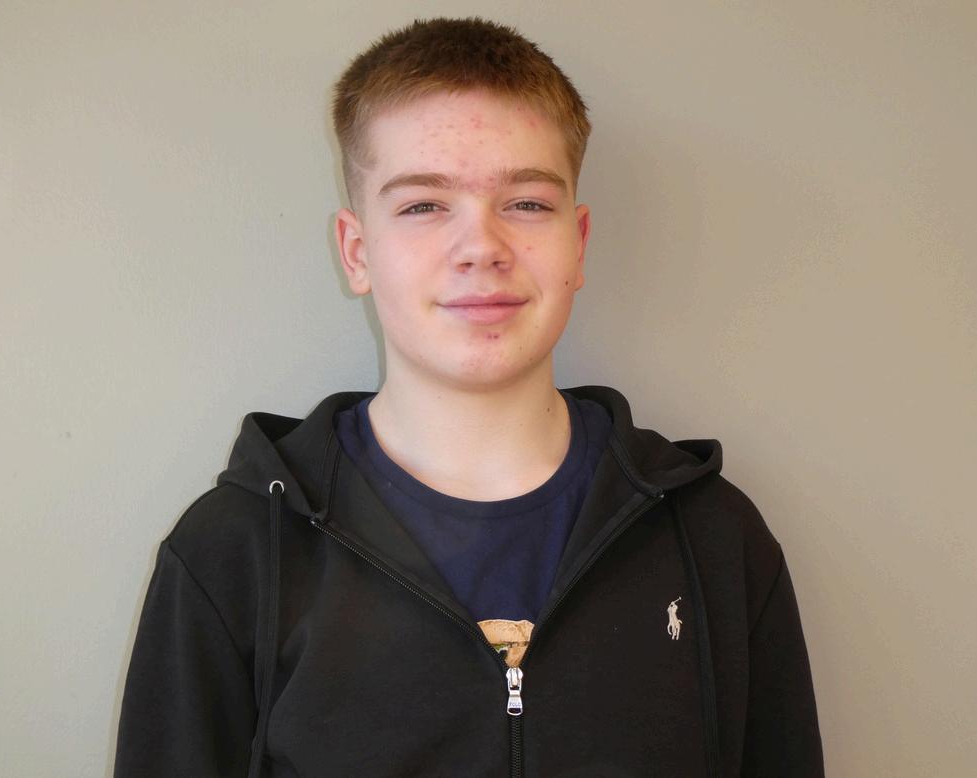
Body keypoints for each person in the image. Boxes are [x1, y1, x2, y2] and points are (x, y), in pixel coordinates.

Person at [113, 16, 823, 778]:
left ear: (578, 242)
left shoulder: (714, 542)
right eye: (423, 205)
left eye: (527, 203)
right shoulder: (234, 553)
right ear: (356, 251)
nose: (481, 246)